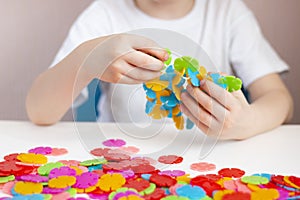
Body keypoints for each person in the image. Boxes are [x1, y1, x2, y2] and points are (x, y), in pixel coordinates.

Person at [26, 0, 293, 140]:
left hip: (212, 161)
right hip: (121, 165)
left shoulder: (228, 11)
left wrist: (249, 122)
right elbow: (38, 111)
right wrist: (85, 58)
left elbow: (280, 100)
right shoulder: (103, 13)